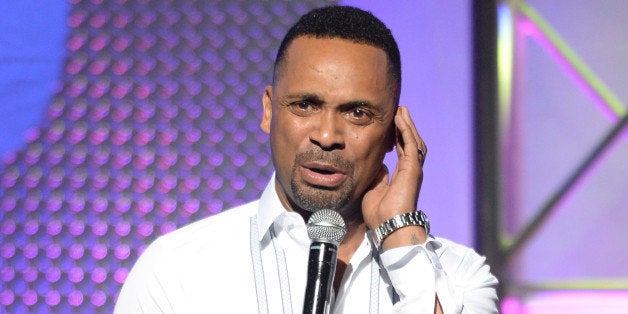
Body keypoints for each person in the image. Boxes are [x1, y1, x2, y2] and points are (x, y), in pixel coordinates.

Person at [115, 5, 498, 313]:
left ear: (393, 133)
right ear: (269, 111)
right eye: (304, 105)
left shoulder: (459, 276)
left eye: (358, 113)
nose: (327, 136)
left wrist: (400, 235)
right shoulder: (177, 269)